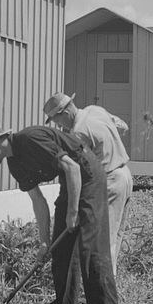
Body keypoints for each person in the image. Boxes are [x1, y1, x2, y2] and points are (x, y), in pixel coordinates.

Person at [0, 118, 121, 304]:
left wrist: (73, 212)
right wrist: (44, 242)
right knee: (60, 252)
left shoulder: (30, 139)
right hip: (71, 182)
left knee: (90, 250)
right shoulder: (15, 164)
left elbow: (73, 167)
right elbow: (38, 201)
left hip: (88, 176)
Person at [43, 92, 133, 277]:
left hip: (110, 181)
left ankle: (105, 293)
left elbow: (79, 170)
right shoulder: (95, 110)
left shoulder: (77, 133)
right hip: (125, 174)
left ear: (65, 113)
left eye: (57, 120)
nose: (59, 126)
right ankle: (110, 285)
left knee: (103, 242)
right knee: (115, 236)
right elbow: (122, 126)